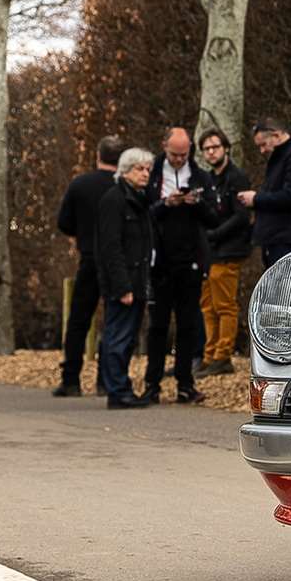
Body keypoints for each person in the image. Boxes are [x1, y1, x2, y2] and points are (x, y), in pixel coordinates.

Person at [141, 126, 209, 404]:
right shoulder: (151, 174)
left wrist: (194, 203)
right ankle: (152, 383)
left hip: (190, 259)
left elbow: (213, 217)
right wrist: (164, 203)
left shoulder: (200, 176)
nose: (180, 159)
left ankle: (185, 383)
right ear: (164, 147)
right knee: (157, 326)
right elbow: (142, 212)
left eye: (184, 154)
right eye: (174, 154)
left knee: (188, 324)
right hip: (160, 261)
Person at [52, 135, 123, 397]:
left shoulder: (80, 185)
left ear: (97, 156)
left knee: (79, 319)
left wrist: (81, 234)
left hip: (90, 256)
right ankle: (107, 379)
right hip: (117, 260)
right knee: (113, 319)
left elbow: (64, 222)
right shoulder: (122, 187)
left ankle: (71, 378)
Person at [92, 149, 155, 407]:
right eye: (140, 169)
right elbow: (110, 247)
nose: (145, 174)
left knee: (127, 338)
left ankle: (120, 386)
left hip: (138, 278)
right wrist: (122, 286)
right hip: (124, 282)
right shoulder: (114, 200)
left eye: (148, 169)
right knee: (117, 337)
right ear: (126, 170)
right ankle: (116, 390)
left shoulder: (138, 200)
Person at [196, 129, 250, 375]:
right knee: (207, 304)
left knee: (225, 304)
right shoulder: (208, 180)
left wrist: (215, 234)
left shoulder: (236, 178)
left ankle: (223, 355)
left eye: (215, 147)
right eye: (206, 149)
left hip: (229, 249)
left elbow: (241, 216)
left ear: (225, 148)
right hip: (210, 251)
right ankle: (209, 355)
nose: (211, 152)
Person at [239, 115, 291, 266]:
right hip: (275, 239)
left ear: (276, 135)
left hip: (288, 240)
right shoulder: (279, 157)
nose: (262, 150)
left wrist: (256, 199)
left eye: (263, 144)